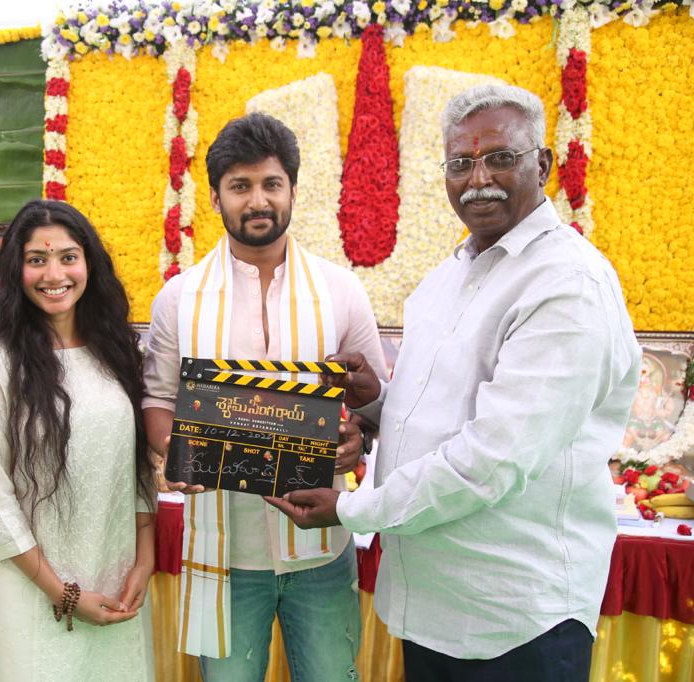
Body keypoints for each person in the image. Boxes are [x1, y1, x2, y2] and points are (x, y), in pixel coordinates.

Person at [266, 84, 642, 682]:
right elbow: (440, 413)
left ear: (543, 164)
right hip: (434, 610)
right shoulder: (448, 276)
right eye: (460, 163)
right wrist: (375, 402)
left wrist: (353, 508)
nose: (478, 179)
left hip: (516, 618)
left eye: (500, 157)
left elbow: (492, 459)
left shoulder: (566, 285)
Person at [143, 113, 386, 681]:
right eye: (241, 186)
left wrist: (358, 440)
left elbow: (374, 402)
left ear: (293, 190)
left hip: (322, 548)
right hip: (223, 553)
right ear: (215, 197)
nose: (258, 200)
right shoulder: (180, 297)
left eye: (272, 184)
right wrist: (180, 452)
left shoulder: (340, 290)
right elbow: (157, 399)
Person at [0, 200, 156, 681]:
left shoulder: (116, 353)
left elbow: (134, 468)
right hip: (32, 592)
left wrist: (145, 558)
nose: (55, 274)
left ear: (89, 264)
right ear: (16, 270)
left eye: (68, 257)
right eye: (37, 259)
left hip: (116, 584)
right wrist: (62, 593)